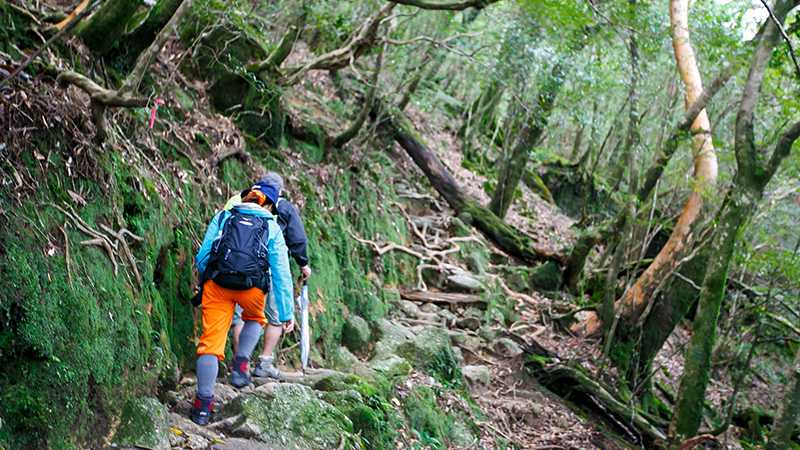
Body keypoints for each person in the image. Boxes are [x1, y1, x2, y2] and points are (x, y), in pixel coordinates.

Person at [190, 182, 293, 426]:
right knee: (255, 318)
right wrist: (287, 311)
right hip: (252, 289)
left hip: (218, 285)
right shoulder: (271, 226)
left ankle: (203, 406)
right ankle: (241, 364)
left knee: (210, 344)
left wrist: (211, 277)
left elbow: (203, 255)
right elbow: (281, 272)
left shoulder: (225, 215)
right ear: (267, 204)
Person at [227, 172, 311, 379]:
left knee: (239, 317)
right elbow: (297, 238)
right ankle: (264, 362)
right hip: (270, 268)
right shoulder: (282, 206)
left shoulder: (239, 201)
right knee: (274, 317)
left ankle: (240, 364)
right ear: (279, 190)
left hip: (236, 267)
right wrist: (303, 264)